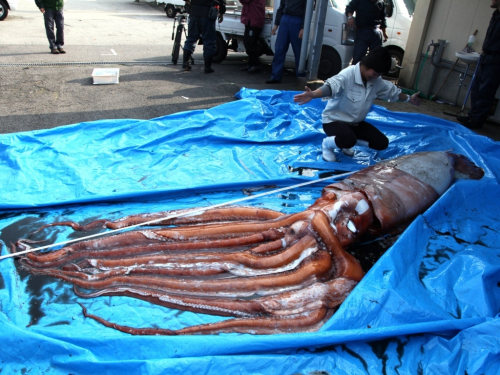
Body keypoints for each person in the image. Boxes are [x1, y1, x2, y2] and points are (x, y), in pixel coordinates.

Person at [293, 47, 420, 162]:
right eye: (375, 74)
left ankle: (346, 143)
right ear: (366, 65)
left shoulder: (376, 81)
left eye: (379, 75)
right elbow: (331, 87)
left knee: (382, 143)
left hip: (355, 123)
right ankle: (327, 144)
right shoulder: (347, 75)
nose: (376, 77)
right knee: (348, 138)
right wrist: (313, 94)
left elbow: (392, 92)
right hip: (334, 121)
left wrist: (409, 99)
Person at [457, 0, 500, 129]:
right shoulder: (496, 15)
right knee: (476, 89)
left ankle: (477, 120)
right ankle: (472, 115)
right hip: (486, 56)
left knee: (485, 91)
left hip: (496, 59)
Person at [265, 0, 307, 84]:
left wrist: (303, 27)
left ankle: (301, 77)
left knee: (298, 51)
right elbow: (281, 7)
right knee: (279, 49)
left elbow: (307, 10)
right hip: (285, 19)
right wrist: (276, 24)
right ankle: (275, 77)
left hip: (297, 20)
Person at [182, 0, 226, 73]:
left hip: (194, 11)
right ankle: (207, 67)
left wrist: (188, 3)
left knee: (191, 38)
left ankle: (185, 62)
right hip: (208, 13)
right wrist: (221, 12)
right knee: (209, 40)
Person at [345, 0, 388, 65]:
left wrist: (384, 33)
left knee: (377, 58)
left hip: (375, 31)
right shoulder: (360, 1)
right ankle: (356, 74)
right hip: (362, 31)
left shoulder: (380, 3)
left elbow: (383, 20)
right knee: (358, 58)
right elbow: (349, 8)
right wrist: (350, 17)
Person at [239, 0, 266, 74]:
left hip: (254, 20)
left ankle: (256, 64)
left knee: (249, 43)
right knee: (250, 43)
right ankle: (251, 63)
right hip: (251, 19)